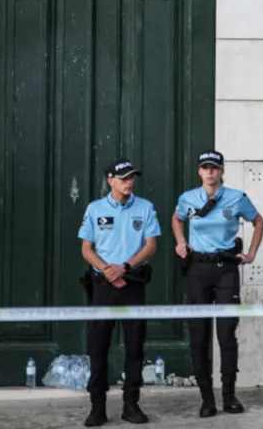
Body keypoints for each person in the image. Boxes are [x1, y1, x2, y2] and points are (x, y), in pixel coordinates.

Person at [172, 150, 263, 417]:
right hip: (198, 269)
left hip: (226, 269)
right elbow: (176, 218)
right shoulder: (188, 198)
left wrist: (251, 253)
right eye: (205, 168)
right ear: (199, 172)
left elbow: (258, 222)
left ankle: (229, 396)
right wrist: (181, 242)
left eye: (215, 168)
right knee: (199, 336)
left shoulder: (236, 198)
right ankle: (206, 399)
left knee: (226, 335)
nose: (210, 172)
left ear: (222, 171)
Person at [78, 159, 160, 427]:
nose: (129, 182)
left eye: (131, 177)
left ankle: (131, 405)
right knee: (98, 347)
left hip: (132, 285)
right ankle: (97, 408)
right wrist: (107, 271)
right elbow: (86, 248)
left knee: (135, 347)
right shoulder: (95, 209)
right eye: (123, 178)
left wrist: (124, 268)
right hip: (103, 286)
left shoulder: (145, 207)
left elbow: (151, 246)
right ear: (110, 180)